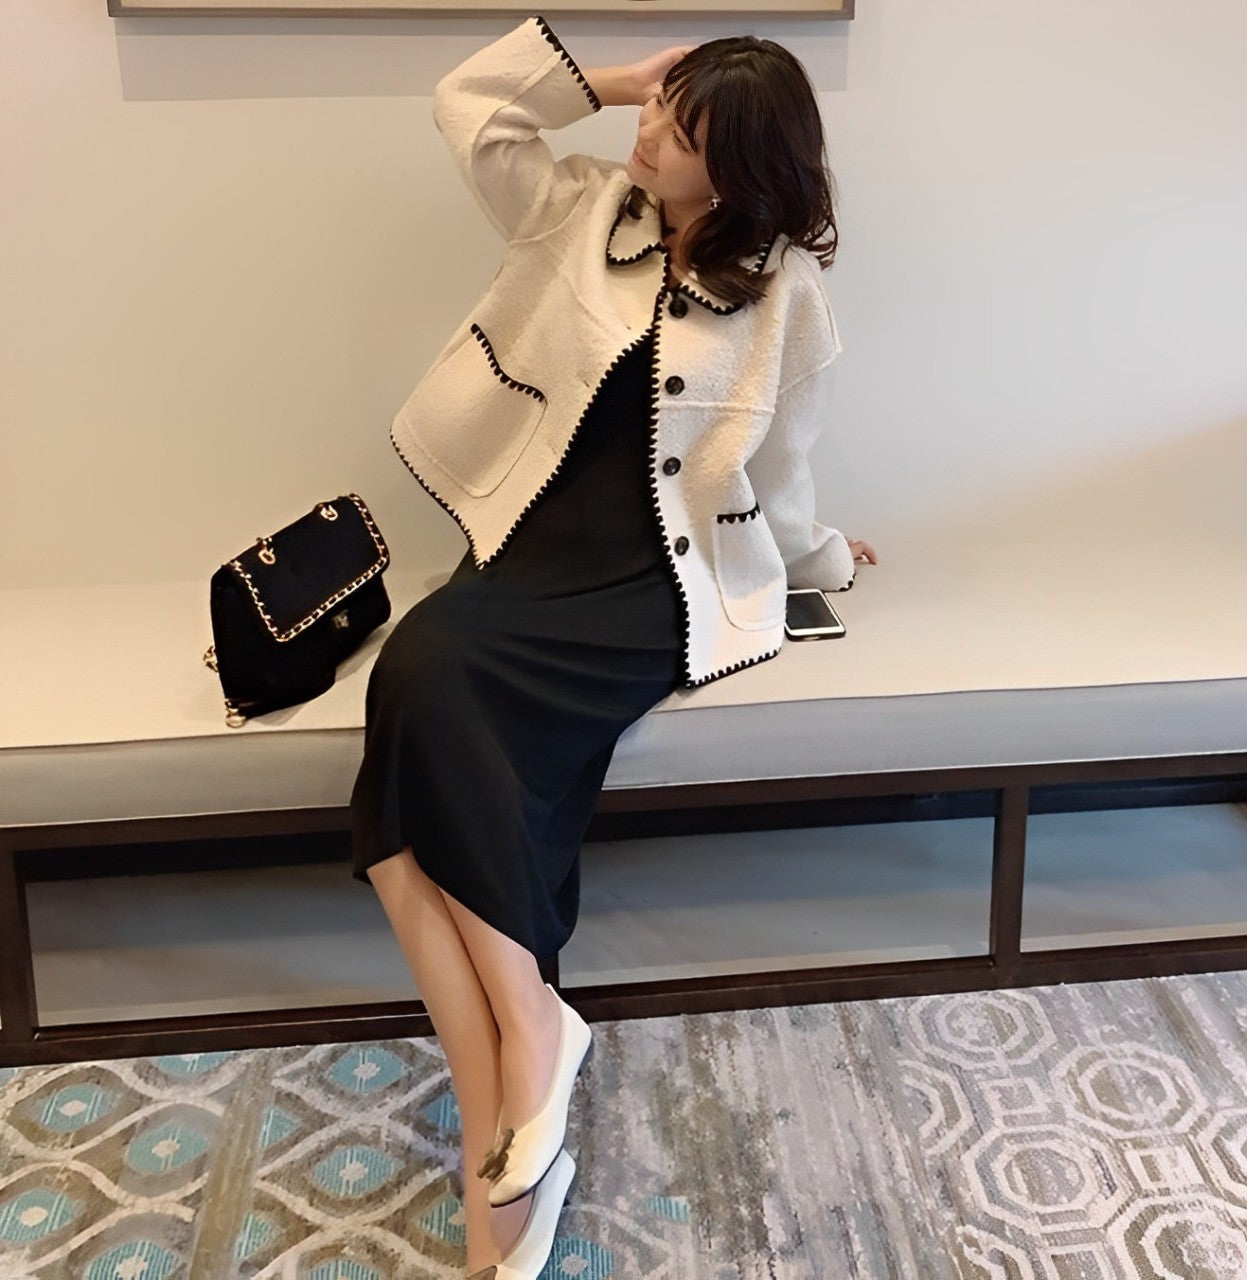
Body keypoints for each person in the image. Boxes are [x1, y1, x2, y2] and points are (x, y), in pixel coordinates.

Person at [348, 15, 877, 1278]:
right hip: (526, 552)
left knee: (413, 759)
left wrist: (818, 557)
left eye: (677, 129)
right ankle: (521, 1063)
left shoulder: (788, 297)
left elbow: (780, 472)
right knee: (419, 675)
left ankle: (504, 1134)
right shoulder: (578, 210)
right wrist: (616, 78)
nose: (646, 133)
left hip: (652, 582)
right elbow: (471, 106)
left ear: (738, 165)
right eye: (652, 111)